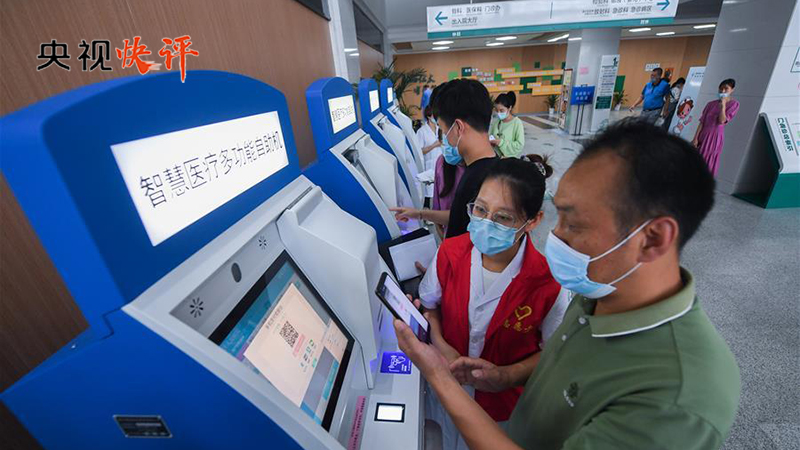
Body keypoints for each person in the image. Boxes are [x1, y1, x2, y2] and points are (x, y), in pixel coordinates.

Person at [394, 119, 741, 450]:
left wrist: (438, 374)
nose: (556, 237)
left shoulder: (680, 395)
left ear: (652, 238)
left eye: (574, 224)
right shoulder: (596, 297)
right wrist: (506, 377)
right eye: (559, 217)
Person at [419, 157, 568, 450]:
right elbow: (430, 306)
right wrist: (441, 343)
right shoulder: (450, 252)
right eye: (480, 209)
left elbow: (554, 353)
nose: (486, 223)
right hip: (448, 392)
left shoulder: (548, 282)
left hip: (502, 410)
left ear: (533, 221)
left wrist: (506, 376)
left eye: (502, 218)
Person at [391, 78, 498, 239]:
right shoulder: (493, 170)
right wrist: (419, 214)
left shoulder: (476, 180)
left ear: (458, 127)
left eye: (443, 129)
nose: (444, 138)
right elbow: (460, 216)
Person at [692, 79, 739, 177]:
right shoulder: (710, 104)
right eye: (721, 88)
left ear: (732, 90)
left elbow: (722, 121)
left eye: (726, 88)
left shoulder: (734, 104)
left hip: (714, 137)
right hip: (703, 134)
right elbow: (702, 122)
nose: (723, 91)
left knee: (707, 160)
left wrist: (723, 105)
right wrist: (695, 138)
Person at [416, 105, 443, 203]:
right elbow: (419, 151)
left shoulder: (440, 129)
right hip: (429, 166)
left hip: (440, 165)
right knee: (430, 195)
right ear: (428, 116)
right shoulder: (422, 131)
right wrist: (434, 145)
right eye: (434, 115)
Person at [489, 92, 525, 158]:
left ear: (509, 108)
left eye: (501, 110)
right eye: (496, 110)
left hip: (509, 160)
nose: (498, 113)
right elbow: (490, 136)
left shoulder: (517, 123)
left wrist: (501, 143)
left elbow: (519, 145)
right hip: (495, 158)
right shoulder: (496, 122)